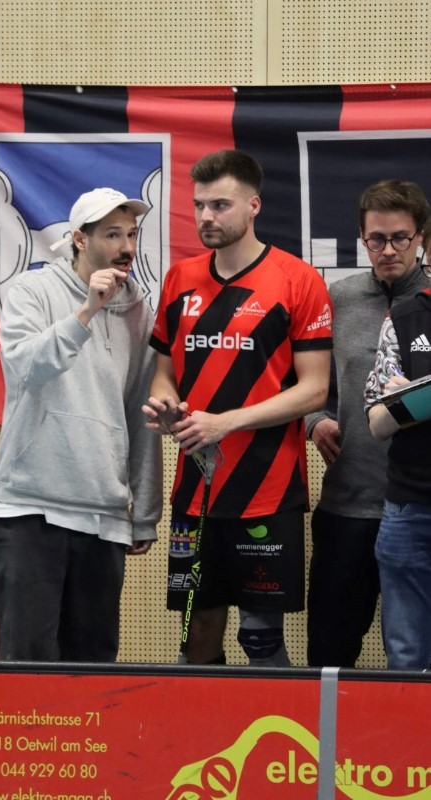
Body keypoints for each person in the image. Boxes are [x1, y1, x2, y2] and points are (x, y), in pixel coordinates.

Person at [143, 150, 332, 666]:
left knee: (260, 639)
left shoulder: (297, 280)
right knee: (196, 635)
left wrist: (226, 422)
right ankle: (197, 723)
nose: (206, 216)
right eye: (199, 205)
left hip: (268, 489)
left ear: (253, 205)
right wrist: (165, 403)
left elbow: (315, 390)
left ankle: (277, 723)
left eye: (220, 205)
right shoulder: (179, 279)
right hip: (195, 492)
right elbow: (163, 370)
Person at [0, 187, 162, 662]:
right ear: (79, 240)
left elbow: (139, 411)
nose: (127, 247)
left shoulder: (138, 311)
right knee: (27, 664)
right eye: (112, 235)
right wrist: (86, 311)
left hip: (104, 516)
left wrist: (145, 511)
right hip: (30, 509)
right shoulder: (32, 291)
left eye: (131, 234)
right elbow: (25, 367)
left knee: (93, 670)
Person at [306, 180, 430, 667]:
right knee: (329, 653)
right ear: (362, 238)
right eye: (376, 239)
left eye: (400, 237)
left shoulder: (427, 307)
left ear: (420, 238)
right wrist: (315, 421)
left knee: (412, 654)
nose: (388, 250)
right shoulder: (337, 298)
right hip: (348, 505)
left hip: (418, 505)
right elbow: (309, 383)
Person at [364, 216, 431, 669]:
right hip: (410, 508)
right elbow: (377, 422)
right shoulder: (405, 318)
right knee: (406, 656)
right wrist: (415, 399)